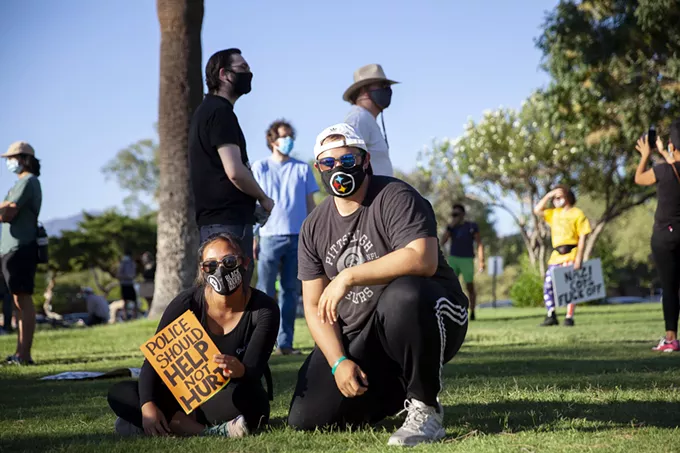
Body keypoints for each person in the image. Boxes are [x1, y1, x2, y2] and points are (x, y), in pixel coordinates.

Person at [287, 124, 469, 447]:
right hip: (366, 333)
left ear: (365, 160)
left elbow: (421, 259)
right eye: (328, 164)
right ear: (318, 169)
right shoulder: (313, 226)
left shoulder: (395, 196)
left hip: (436, 313)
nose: (338, 169)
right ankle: (395, 394)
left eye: (347, 160)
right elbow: (315, 306)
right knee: (306, 418)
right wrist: (339, 362)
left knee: (403, 296)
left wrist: (349, 276)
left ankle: (426, 409)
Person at [107, 232, 279, 437]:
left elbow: (254, 370)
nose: (221, 270)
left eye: (229, 261)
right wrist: (147, 406)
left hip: (225, 395)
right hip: (180, 395)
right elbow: (153, 361)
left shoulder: (264, 309)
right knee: (120, 393)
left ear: (245, 263)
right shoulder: (186, 304)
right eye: (211, 265)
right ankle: (203, 429)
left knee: (255, 401)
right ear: (202, 270)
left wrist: (240, 369)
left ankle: (168, 424)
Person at [189, 48, 274, 267]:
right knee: (233, 295)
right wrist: (263, 198)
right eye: (243, 68)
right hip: (227, 225)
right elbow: (235, 171)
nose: (249, 73)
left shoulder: (207, 111)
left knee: (220, 296)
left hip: (218, 223)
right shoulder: (220, 112)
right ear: (224, 74)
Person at [252, 119, 319, 355]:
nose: (288, 140)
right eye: (283, 135)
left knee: (291, 292)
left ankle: (285, 344)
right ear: (272, 139)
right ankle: (260, 343)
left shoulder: (303, 168)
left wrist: (313, 237)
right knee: (264, 292)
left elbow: (311, 205)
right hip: (268, 236)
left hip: (297, 238)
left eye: (291, 135)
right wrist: (254, 237)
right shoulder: (260, 167)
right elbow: (254, 205)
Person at [634, 119, 680, 352]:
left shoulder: (662, 170)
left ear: (673, 146)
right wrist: (664, 151)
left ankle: (671, 338)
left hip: (664, 235)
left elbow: (639, 178)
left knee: (670, 286)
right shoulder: (668, 164)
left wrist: (646, 154)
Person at [1, 141, 42, 365]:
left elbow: (7, 213)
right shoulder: (20, 183)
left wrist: (4, 207)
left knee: (22, 299)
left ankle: (24, 355)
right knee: (16, 300)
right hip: (10, 249)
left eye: (12, 157)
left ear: (24, 159)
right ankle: (19, 353)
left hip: (21, 248)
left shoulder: (28, 181)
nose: (9, 162)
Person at [533, 185, 591, 327]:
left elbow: (583, 236)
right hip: (556, 255)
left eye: (559, 197)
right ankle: (551, 314)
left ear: (567, 197)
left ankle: (569, 317)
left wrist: (579, 258)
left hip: (571, 253)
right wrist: (549, 194)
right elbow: (537, 210)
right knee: (548, 285)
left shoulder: (577, 214)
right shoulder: (554, 214)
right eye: (555, 198)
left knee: (569, 287)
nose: (556, 200)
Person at [343, 64, 398, 176]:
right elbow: (347, 162)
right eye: (382, 85)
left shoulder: (367, 119)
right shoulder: (358, 119)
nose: (387, 90)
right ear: (364, 90)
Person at [440, 204, 485, 321]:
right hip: (454, 259)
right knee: (450, 285)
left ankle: (473, 311)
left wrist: (481, 261)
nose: (455, 216)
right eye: (453, 214)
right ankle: (450, 311)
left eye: (457, 214)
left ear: (463, 214)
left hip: (467, 259)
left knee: (469, 286)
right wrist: (450, 226)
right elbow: (442, 241)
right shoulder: (451, 228)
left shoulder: (471, 226)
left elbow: (479, 243)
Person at [117, 250, 137, 318]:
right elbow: (119, 274)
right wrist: (127, 276)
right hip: (125, 284)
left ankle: (134, 316)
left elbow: (134, 273)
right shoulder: (123, 263)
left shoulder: (132, 263)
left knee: (134, 301)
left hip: (130, 284)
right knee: (125, 301)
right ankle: (125, 316)